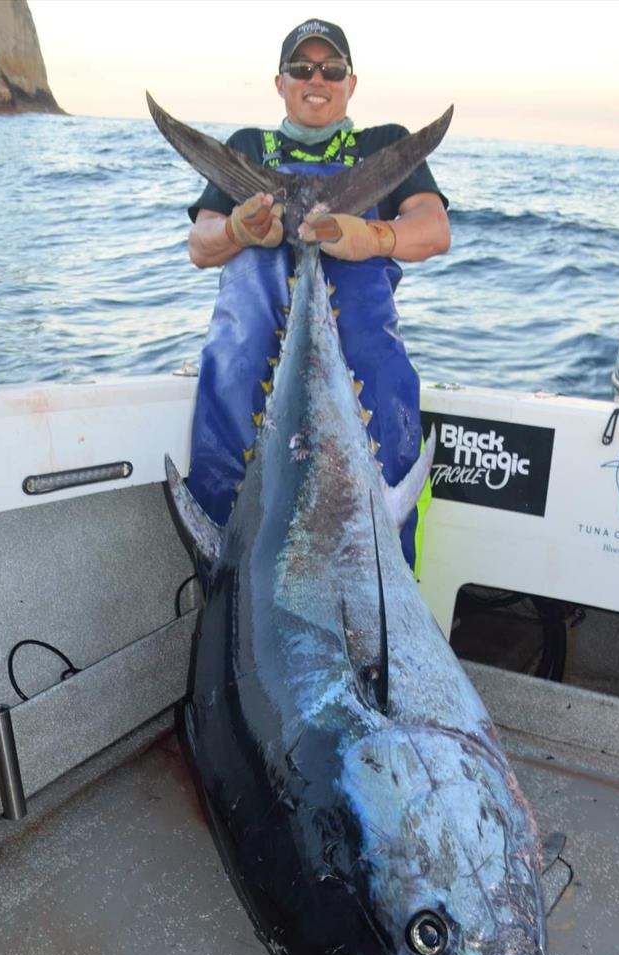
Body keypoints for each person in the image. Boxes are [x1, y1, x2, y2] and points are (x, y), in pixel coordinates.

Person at [187, 18, 450, 571]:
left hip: (366, 373)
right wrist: (237, 229)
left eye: (331, 69)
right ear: (279, 83)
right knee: (231, 521)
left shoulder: (385, 144)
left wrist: (372, 236)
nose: (317, 79)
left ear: (351, 83)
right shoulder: (247, 148)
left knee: (381, 527)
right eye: (301, 68)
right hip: (245, 381)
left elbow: (434, 228)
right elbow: (201, 244)